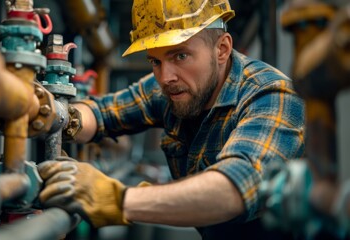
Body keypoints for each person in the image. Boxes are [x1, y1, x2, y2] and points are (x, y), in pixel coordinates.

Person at [37, 0, 305, 239]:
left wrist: (116, 199)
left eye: (180, 55)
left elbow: (234, 189)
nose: (166, 78)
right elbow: (103, 113)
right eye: (155, 61)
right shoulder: (176, 87)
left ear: (221, 49)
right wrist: (54, 115)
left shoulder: (271, 95)